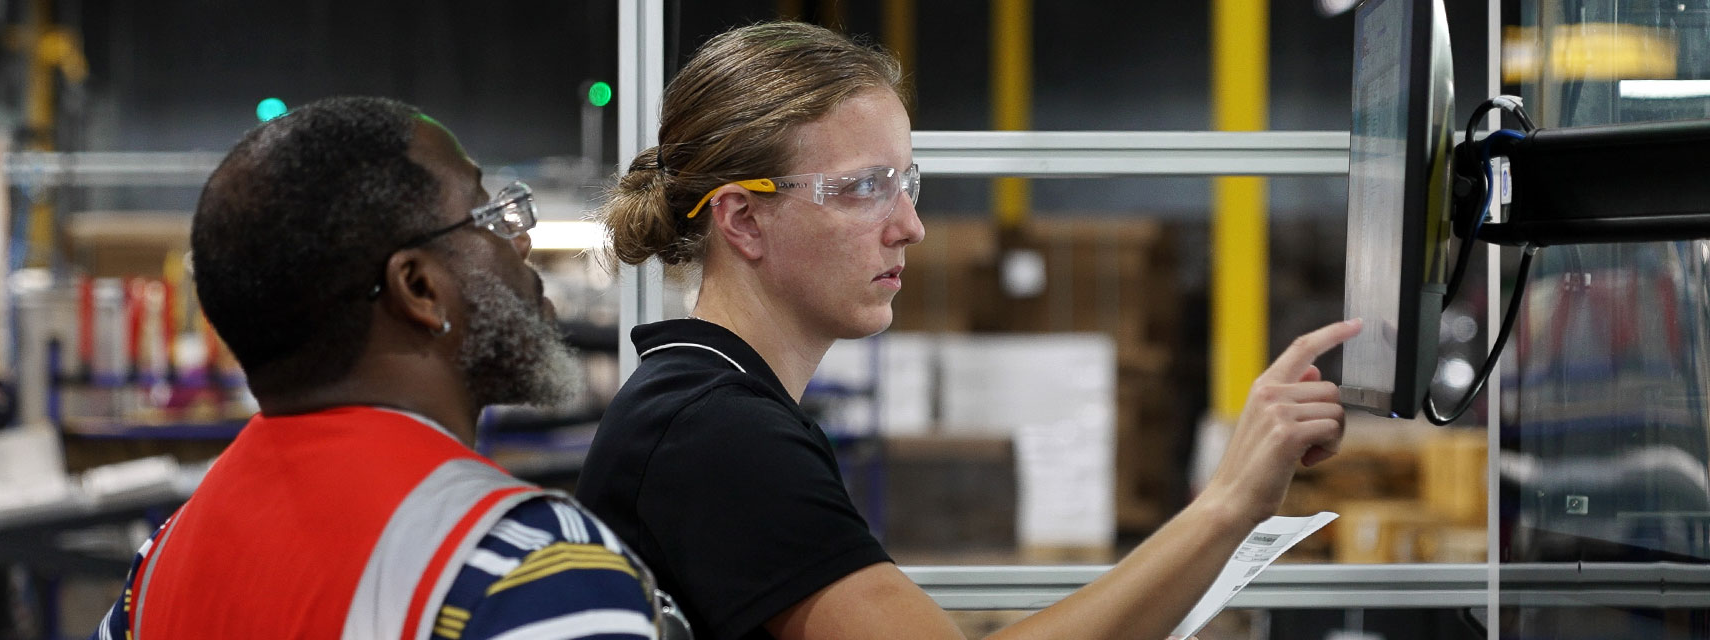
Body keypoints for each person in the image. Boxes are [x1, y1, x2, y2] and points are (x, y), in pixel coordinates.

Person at [576, 22, 1362, 640]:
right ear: (742, 218)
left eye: (906, 182)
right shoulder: (712, 435)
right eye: (863, 189)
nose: (910, 226)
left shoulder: (712, 407)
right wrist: (1227, 504)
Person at [98, 96, 680, 640]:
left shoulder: (156, 571)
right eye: (488, 215)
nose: (520, 241)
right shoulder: (535, 570)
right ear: (419, 287)